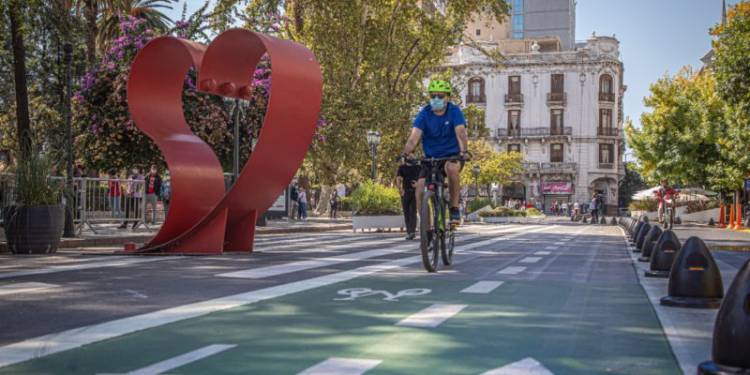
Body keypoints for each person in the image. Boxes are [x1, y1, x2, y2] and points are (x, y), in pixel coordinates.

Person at [402, 79, 469, 224]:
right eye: (433, 96)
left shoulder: (454, 111)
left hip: (452, 155)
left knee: (451, 168)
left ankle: (454, 209)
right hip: (430, 159)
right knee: (419, 188)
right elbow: (413, 139)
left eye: (440, 96)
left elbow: (461, 134)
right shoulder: (424, 114)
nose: (436, 99)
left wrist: (463, 152)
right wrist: (406, 153)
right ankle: (426, 226)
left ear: (448, 97)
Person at [397, 154, 420, 240]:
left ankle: (412, 232)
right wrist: (400, 189)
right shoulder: (402, 167)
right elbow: (398, 179)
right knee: (406, 212)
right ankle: (408, 232)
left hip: (416, 192)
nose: (412, 157)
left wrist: (418, 185)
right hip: (405, 192)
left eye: (413, 155)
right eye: (410, 156)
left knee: (413, 211)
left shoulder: (418, 167)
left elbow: (422, 179)